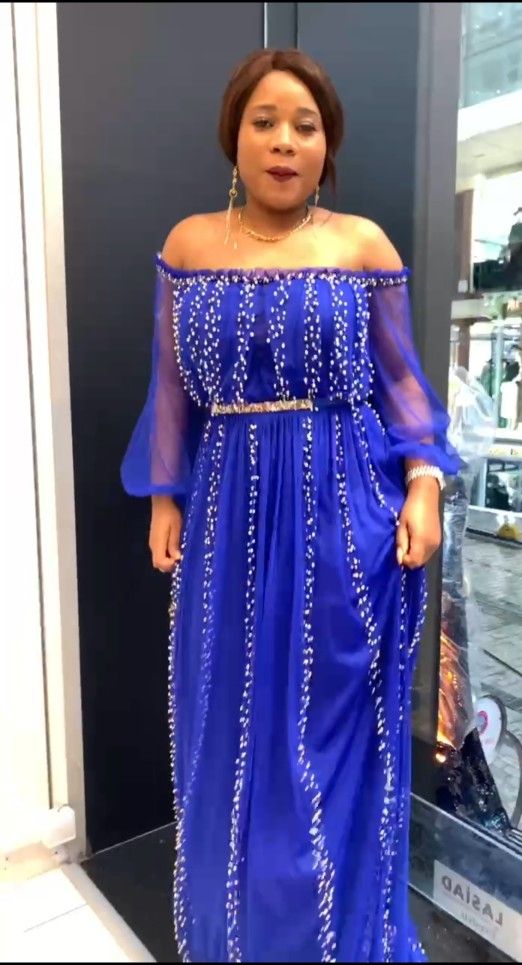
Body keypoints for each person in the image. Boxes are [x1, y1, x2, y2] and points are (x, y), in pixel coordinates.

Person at [121, 48, 463, 964]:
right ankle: (241, 937)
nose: (284, 141)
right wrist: (164, 496)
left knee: (328, 732)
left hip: (345, 520)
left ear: (327, 145)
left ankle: (338, 938)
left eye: (305, 126)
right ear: (233, 135)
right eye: (264, 121)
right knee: (231, 727)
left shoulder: (363, 245)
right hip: (228, 518)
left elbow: (404, 386)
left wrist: (424, 484)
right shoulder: (189, 245)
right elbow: (171, 388)